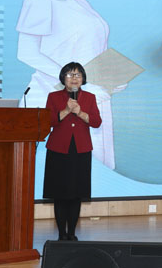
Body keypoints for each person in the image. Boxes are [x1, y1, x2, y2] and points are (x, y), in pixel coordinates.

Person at [17, 0, 119, 169]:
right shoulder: (38, 0)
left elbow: (93, 48)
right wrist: (77, 82)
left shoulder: (82, 3)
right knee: (52, 166)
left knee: (93, 166)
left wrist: (109, 79)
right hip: (52, 93)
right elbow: (27, 52)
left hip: (91, 94)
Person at [44, 62, 102, 241]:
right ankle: (62, 234)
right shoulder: (53, 97)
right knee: (60, 193)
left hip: (81, 149)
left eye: (78, 75)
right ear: (63, 78)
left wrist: (80, 113)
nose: (74, 78)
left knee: (76, 193)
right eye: (70, 75)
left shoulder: (90, 97)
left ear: (83, 78)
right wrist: (66, 110)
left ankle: (72, 234)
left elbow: (96, 122)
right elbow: (48, 121)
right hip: (58, 149)